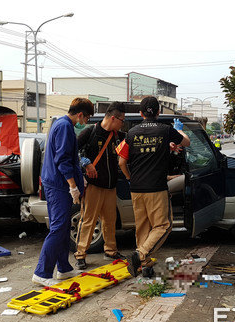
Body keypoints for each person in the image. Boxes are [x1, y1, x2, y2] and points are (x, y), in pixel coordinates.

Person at [116, 96, 190, 277]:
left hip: (136, 189)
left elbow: (121, 161)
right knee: (164, 225)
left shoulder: (131, 133)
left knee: (143, 227)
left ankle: (144, 265)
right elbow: (186, 142)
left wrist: (129, 178)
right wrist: (181, 131)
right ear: (159, 112)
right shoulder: (165, 130)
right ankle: (139, 254)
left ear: (140, 113)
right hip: (156, 188)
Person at [33, 98, 94, 287]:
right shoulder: (66, 127)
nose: (86, 121)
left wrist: (78, 177)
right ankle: (41, 272)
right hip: (59, 186)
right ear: (80, 114)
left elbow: (68, 158)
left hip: (54, 183)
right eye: (87, 117)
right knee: (59, 228)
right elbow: (63, 160)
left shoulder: (60, 124)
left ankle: (64, 268)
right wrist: (73, 185)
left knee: (63, 227)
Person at [74, 101, 126, 270]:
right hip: (94, 186)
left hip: (111, 187)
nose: (122, 124)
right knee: (88, 220)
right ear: (113, 118)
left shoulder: (117, 135)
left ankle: (110, 251)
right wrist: (85, 163)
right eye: (122, 120)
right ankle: (80, 254)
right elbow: (72, 151)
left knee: (110, 220)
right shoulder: (91, 132)